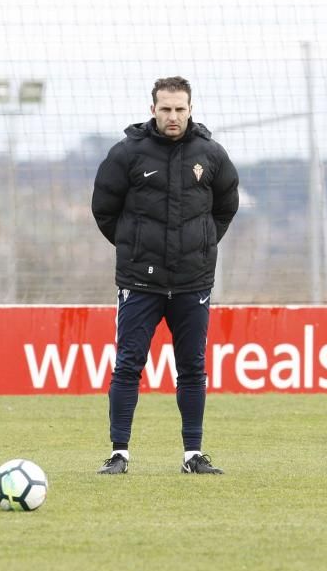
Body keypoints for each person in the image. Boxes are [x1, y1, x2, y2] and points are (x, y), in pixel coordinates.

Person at [91, 76, 239, 475]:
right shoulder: (127, 154)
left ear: (191, 109)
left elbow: (226, 207)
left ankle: (193, 455)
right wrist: (134, 246)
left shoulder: (211, 155)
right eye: (165, 109)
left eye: (179, 109)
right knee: (128, 365)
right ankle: (119, 453)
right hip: (140, 281)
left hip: (193, 282)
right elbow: (104, 210)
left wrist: (203, 244)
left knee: (191, 367)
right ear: (152, 109)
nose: (172, 116)